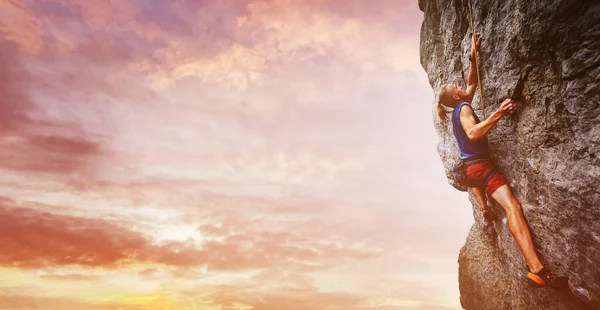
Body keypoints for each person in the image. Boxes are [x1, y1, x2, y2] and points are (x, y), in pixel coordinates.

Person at [436, 33, 568, 289]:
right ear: (455, 98)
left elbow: (472, 82)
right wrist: (499, 113)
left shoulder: (459, 106)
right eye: (457, 88)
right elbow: (473, 133)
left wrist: (473, 55)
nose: (462, 87)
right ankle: (536, 269)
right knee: (512, 208)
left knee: (500, 199)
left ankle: (484, 207)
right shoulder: (463, 109)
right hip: (480, 166)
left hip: (471, 171)